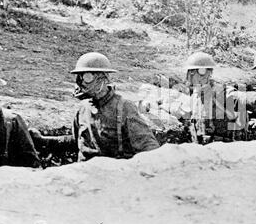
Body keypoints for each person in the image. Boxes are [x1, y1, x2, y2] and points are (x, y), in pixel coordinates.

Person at [30, 52, 160, 162]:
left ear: (102, 78)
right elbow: (76, 143)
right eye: (79, 77)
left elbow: (150, 149)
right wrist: (44, 141)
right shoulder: (83, 109)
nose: (80, 83)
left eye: (86, 77)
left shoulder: (124, 108)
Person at [160, 52, 256, 144]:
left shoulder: (220, 91)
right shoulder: (196, 95)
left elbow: (241, 97)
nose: (191, 77)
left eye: (196, 73)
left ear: (208, 74)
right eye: (190, 73)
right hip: (202, 149)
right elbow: (187, 113)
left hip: (224, 149)